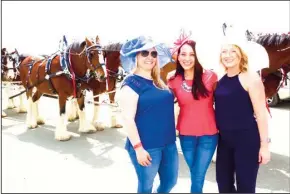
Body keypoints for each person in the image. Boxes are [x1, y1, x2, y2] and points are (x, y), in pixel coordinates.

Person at [196, 31, 271, 193]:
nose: (227, 55)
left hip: (247, 140)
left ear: (241, 55)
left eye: (233, 51)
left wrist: (264, 146)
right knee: (223, 184)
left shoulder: (251, 78)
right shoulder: (219, 79)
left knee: (245, 186)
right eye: (224, 51)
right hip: (224, 141)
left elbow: (261, 114)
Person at [119, 36, 178, 193]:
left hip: (169, 144)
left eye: (153, 54)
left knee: (170, 182)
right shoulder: (131, 84)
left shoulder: (158, 81)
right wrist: (138, 148)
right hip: (147, 147)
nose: (150, 57)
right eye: (144, 53)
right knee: (146, 187)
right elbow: (127, 118)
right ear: (135, 56)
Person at [167, 32, 218, 193]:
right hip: (186, 135)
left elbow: (224, 101)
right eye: (183, 54)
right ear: (178, 56)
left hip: (209, 135)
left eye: (192, 54)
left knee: (198, 175)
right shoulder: (172, 78)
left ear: (198, 56)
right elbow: (164, 105)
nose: (187, 58)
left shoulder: (211, 76)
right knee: (195, 172)